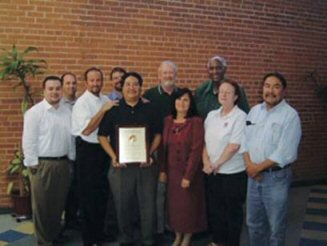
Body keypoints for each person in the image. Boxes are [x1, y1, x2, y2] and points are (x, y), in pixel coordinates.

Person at [98, 71, 162, 246]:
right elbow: (102, 136)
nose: (131, 88)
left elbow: (158, 135)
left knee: (147, 205)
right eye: (128, 84)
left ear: (141, 88)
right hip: (120, 167)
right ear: (122, 88)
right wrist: (113, 156)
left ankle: (148, 240)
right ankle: (125, 239)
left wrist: (149, 153)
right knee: (122, 205)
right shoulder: (113, 109)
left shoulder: (151, 108)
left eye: (135, 84)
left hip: (145, 166)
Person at [241, 72, 302, 246]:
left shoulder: (290, 116)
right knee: (253, 223)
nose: (270, 90)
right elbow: (244, 141)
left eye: (276, 86)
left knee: (275, 226)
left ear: (283, 91)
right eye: (267, 86)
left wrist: (257, 168)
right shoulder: (254, 111)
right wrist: (250, 166)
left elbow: (285, 151)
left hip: (276, 179)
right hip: (253, 177)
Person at [22, 76, 75, 245]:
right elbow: (29, 141)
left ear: (62, 90)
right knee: (42, 207)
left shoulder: (67, 112)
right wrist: (32, 164)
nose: (54, 92)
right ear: (44, 91)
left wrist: (72, 159)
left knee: (58, 205)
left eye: (57, 88)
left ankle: (54, 234)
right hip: (42, 165)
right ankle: (44, 241)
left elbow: (71, 138)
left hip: (63, 164)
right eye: (50, 89)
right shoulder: (34, 113)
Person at [71, 67, 118, 246]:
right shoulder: (81, 103)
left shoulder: (105, 98)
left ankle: (99, 234)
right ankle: (89, 240)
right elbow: (87, 129)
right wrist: (103, 111)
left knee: (101, 194)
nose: (96, 83)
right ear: (86, 82)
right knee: (88, 197)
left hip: (103, 151)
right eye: (92, 80)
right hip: (87, 152)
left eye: (98, 80)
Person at [159, 88, 207, 246]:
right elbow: (163, 149)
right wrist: (163, 170)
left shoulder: (196, 122)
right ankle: (177, 236)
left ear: (190, 103)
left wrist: (188, 176)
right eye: (179, 99)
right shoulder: (167, 120)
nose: (181, 103)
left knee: (188, 208)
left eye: (186, 100)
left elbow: (196, 150)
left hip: (189, 173)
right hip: (172, 173)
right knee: (174, 208)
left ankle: (186, 238)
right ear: (174, 102)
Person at [203, 80, 247, 246]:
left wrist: (216, 164)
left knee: (232, 212)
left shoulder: (241, 117)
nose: (223, 94)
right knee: (215, 210)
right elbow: (206, 143)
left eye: (228, 92)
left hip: (232, 173)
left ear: (236, 96)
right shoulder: (211, 115)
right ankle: (217, 241)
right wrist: (206, 162)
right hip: (213, 172)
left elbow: (234, 146)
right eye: (221, 91)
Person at [143, 60, 180, 235]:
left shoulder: (182, 95)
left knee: (175, 190)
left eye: (171, 72)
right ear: (159, 75)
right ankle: (159, 229)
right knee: (158, 190)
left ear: (175, 75)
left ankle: (173, 224)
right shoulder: (149, 95)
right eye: (164, 73)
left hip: (177, 151)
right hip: (156, 149)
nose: (168, 76)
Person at [60, 72, 80, 231]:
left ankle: (73, 220)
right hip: (65, 155)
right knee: (64, 191)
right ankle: (63, 223)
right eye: (68, 83)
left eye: (73, 83)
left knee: (77, 190)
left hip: (82, 153)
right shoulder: (57, 105)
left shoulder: (82, 102)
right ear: (62, 85)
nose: (71, 86)